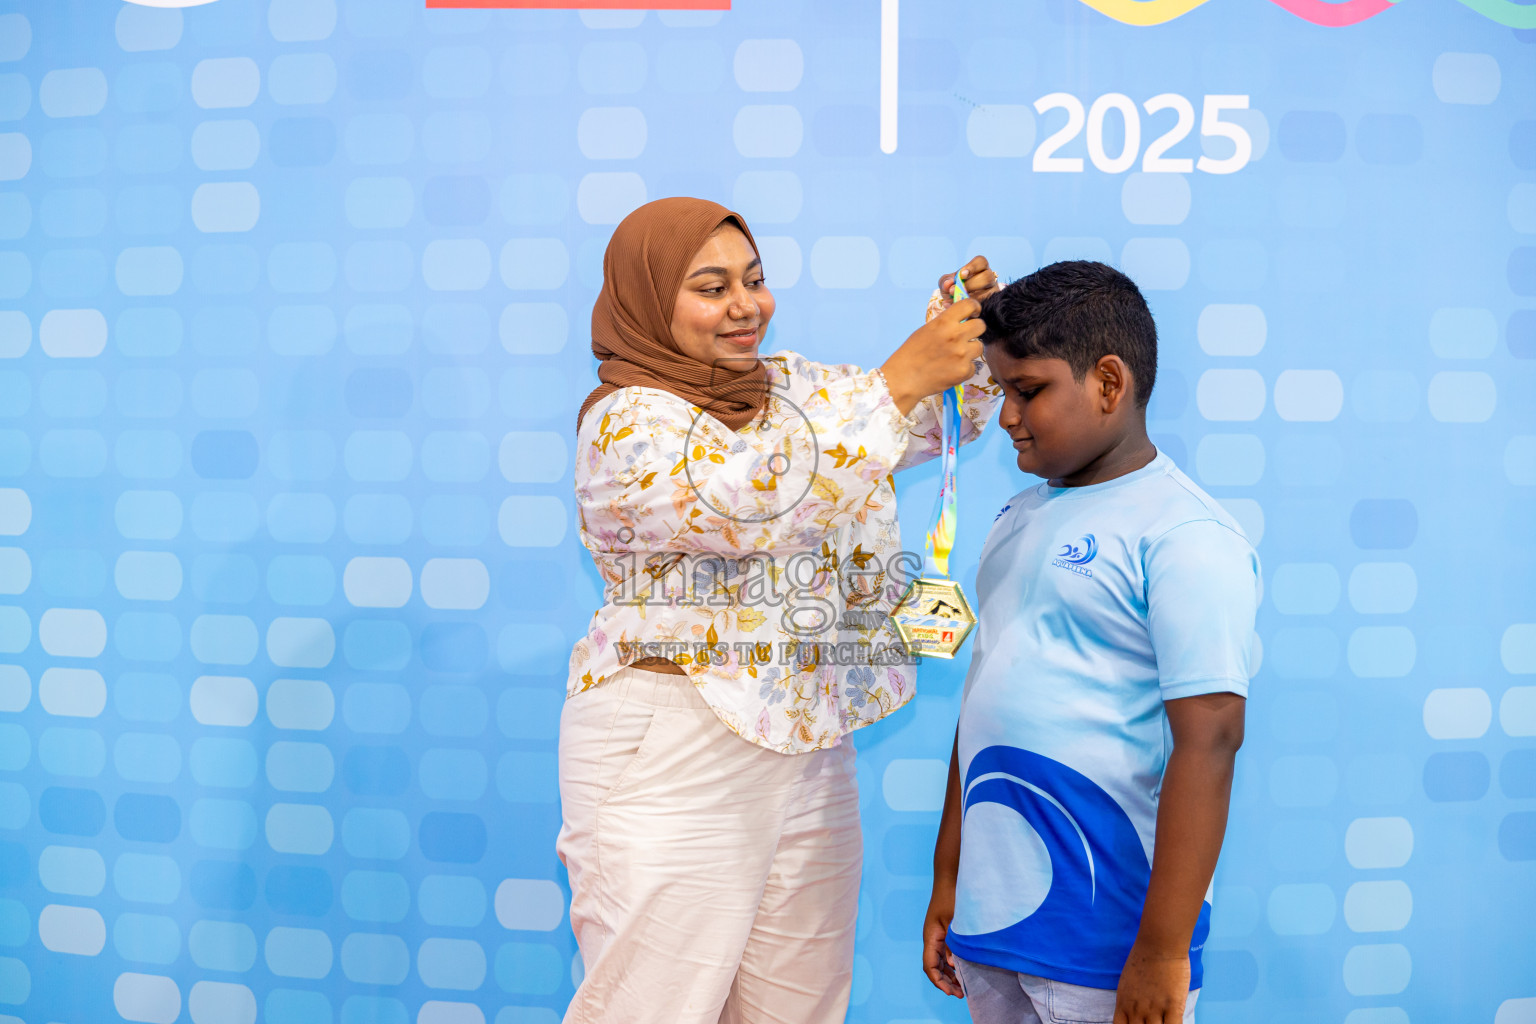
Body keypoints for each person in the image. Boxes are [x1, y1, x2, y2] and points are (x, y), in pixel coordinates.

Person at [559, 196, 1003, 1023]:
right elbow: (750, 496)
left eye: (755, 281)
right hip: (674, 737)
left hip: (807, 739)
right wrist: (903, 372)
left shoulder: (792, 387)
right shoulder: (626, 424)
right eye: (710, 286)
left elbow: (924, 427)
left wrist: (966, 337)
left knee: (800, 1011)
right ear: (650, 299)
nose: (744, 306)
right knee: (650, 1008)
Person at [921, 261, 1260, 1024]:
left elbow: (1210, 742)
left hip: (1110, 942)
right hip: (991, 926)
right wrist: (950, 880)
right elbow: (984, 706)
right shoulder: (1016, 516)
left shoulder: (1185, 535)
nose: (1006, 415)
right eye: (1001, 390)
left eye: (1027, 390)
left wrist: (1162, 952)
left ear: (1109, 383)